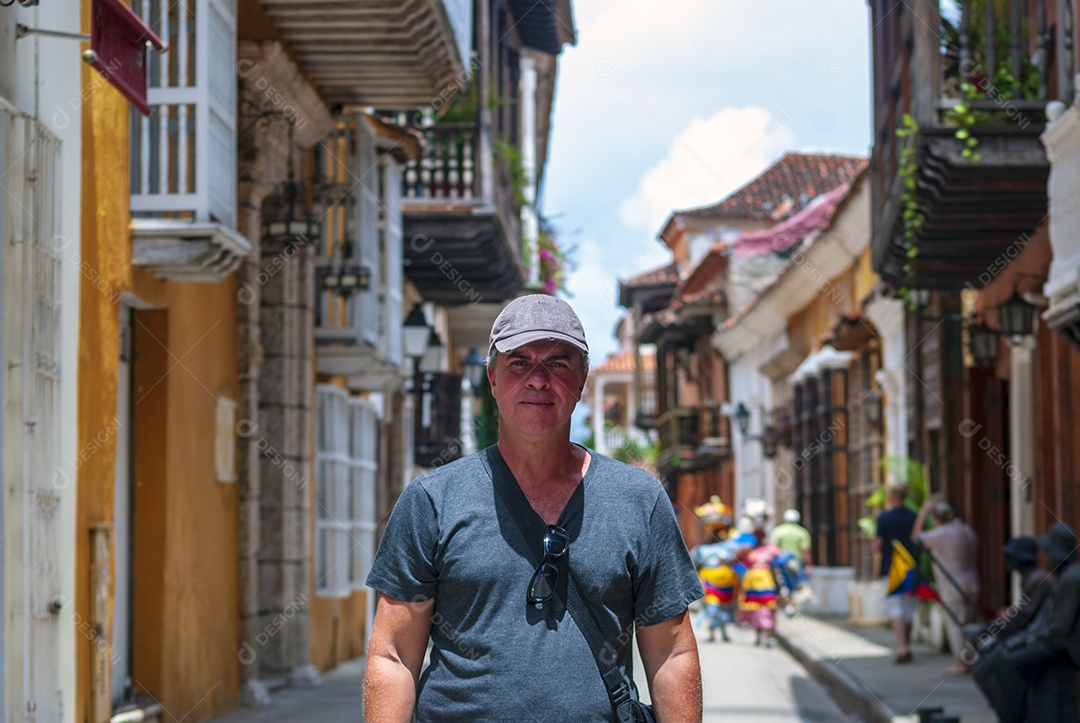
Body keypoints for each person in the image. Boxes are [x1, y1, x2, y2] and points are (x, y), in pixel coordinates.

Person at [363, 294, 705, 722]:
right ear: (492, 378)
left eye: (557, 364)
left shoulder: (639, 500)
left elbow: (672, 653)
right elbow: (393, 655)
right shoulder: (433, 500)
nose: (538, 380)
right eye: (519, 363)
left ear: (581, 381)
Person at [992, 523, 1080, 723]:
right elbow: (1044, 621)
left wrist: (1029, 641)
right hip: (1052, 640)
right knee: (1004, 658)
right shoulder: (1062, 577)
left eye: (1048, 553)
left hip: (1064, 646)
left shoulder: (1072, 579)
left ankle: (1015, 718)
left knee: (1008, 665)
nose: (1045, 558)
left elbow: (1059, 626)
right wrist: (1024, 639)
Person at [972, 536, 1055, 720]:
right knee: (983, 665)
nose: (1006, 561)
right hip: (1024, 636)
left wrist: (990, 628)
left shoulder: (1037, 579)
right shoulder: (1030, 579)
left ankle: (1012, 716)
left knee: (986, 670)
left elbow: (1022, 618)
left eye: (1010, 556)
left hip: (1035, 639)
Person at [913, 498, 979, 674]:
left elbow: (916, 538)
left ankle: (962, 663)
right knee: (968, 621)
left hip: (952, 584)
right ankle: (969, 659)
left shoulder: (942, 534)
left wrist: (923, 512)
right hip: (971, 581)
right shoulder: (967, 531)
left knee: (955, 624)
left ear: (937, 518)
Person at [873, 482, 919, 663]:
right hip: (910, 568)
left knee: (895, 608)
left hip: (891, 569)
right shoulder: (914, 517)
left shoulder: (884, 518)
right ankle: (907, 645)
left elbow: (877, 545)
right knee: (909, 609)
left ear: (891, 496)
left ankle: (902, 647)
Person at [736, 531, 782, 648]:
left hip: (760, 585)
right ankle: (764, 638)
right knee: (760, 611)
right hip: (758, 585)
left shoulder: (764, 551)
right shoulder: (762, 550)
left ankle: (764, 638)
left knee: (761, 611)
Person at [770, 508, 813, 574]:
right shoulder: (802, 532)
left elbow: (773, 548)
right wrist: (809, 566)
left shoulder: (778, 530)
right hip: (797, 563)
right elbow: (805, 550)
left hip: (781, 563)